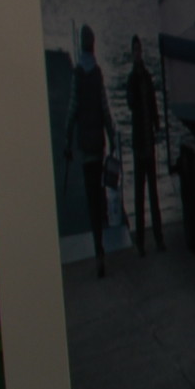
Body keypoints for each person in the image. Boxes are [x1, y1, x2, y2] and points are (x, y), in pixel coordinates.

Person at [65, 25, 116, 277]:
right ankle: (101, 246)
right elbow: (106, 109)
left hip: (85, 148)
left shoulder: (77, 74)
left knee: (91, 200)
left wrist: (67, 141)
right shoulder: (97, 74)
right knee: (99, 193)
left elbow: (72, 110)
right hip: (99, 145)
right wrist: (113, 136)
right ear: (93, 45)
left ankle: (98, 250)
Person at [124, 36, 163, 253]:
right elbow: (131, 103)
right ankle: (141, 241)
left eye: (139, 50)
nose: (138, 54)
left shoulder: (147, 77)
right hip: (140, 143)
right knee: (140, 195)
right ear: (133, 54)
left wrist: (157, 123)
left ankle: (158, 237)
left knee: (153, 194)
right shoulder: (132, 79)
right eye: (135, 51)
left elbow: (153, 103)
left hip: (148, 140)